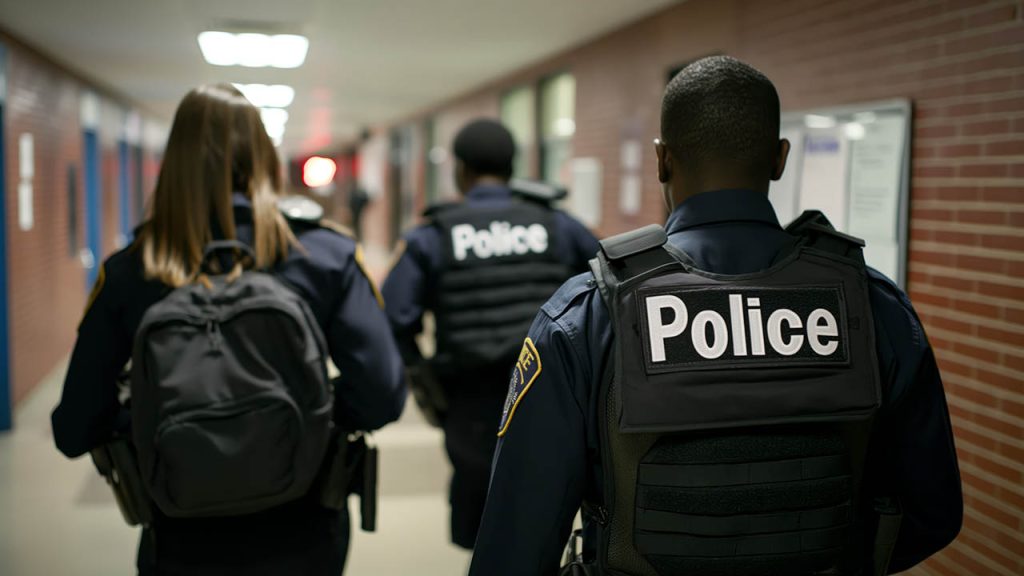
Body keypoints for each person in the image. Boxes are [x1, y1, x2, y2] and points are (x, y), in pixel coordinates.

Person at [469, 56, 962, 576]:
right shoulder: (873, 304)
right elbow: (931, 513)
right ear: (779, 160)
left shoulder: (588, 316)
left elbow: (516, 541)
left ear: (662, 161)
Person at [51, 84, 406, 576]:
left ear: (173, 161)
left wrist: (158, 419)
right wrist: (304, 416)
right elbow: (381, 396)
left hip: (181, 534)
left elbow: (74, 427)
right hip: (304, 530)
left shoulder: (132, 269)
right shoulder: (324, 256)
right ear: (265, 158)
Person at [381, 118, 600, 549]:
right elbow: (608, 290)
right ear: (512, 165)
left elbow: (393, 318)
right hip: (554, 392)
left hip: (471, 404)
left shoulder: (434, 234)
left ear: (459, 169)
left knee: (483, 522)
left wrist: (428, 386)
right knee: (551, 512)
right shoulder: (558, 225)